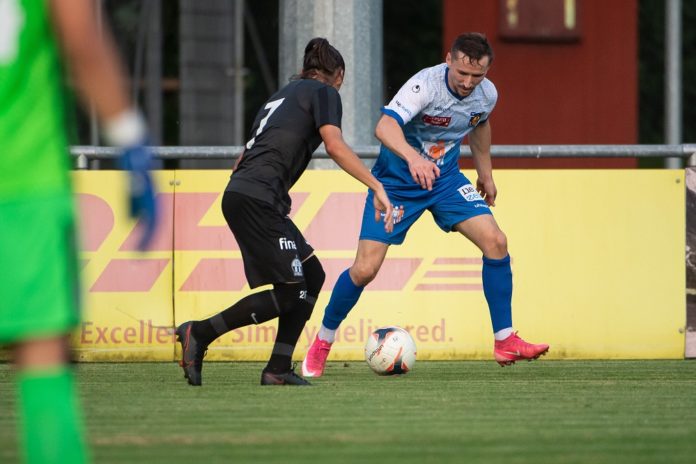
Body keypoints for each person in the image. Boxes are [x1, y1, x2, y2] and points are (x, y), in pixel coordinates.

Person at [302, 32, 549, 378]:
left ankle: (505, 339)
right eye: (462, 73)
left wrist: (486, 174)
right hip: (396, 184)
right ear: (448, 60)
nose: (468, 83)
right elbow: (385, 127)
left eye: (477, 76)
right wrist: (413, 158)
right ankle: (323, 341)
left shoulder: (487, 94)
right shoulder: (424, 85)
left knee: (496, 242)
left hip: (445, 181)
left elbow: (479, 125)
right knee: (365, 269)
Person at [175, 38, 395, 387]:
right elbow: (335, 146)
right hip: (258, 199)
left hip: (249, 194)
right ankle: (199, 333)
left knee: (312, 275)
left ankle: (278, 367)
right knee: (292, 290)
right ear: (338, 74)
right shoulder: (325, 93)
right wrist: (376, 186)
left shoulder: (281, 96)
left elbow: (243, 157)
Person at [0, 0, 158, 463]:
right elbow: (82, 37)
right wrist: (129, 138)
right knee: (40, 356)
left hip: (24, 186)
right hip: (23, 182)